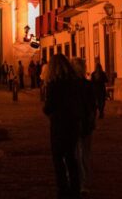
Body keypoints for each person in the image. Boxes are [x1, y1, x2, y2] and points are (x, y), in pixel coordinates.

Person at [43, 54, 85, 198]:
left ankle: (63, 189)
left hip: (58, 126)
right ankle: (75, 188)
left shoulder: (53, 84)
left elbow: (48, 107)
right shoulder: (74, 82)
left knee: (58, 159)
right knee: (71, 158)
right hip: (73, 125)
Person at [72, 58, 97, 195]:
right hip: (86, 124)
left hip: (74, 124)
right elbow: (93, 106)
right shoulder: (88, 85)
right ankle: (84, 183)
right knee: (85, 155)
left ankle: (75, 181)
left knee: (75, 154)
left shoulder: (69, 86)